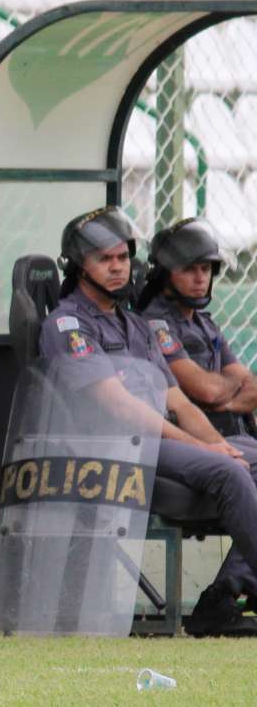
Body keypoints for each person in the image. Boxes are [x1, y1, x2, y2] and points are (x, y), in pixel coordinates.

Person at [38, 205, 257, 637]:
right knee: (229, 470)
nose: (118, 267)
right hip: (112, 451)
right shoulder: (67, 325)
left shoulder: (134, 326)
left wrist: (217, 441)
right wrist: (206, 449)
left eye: (123, 257)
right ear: (79, 267)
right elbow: (119, 407)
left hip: (154, 444)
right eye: (105, 259)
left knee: (240, 456)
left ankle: (226, 596)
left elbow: (180, 402)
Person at [137, 217, 257, 633]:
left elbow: (247, 385)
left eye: (206, 269)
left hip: (228, 435)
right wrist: (225, 388)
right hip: (186, 445)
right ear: (166, 273)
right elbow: (203, 392)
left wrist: (223, 390)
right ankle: (224, 596)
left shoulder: (204, 322)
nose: (199, 277)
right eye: (190, 268)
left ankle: (226, 592)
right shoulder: (156, 323)